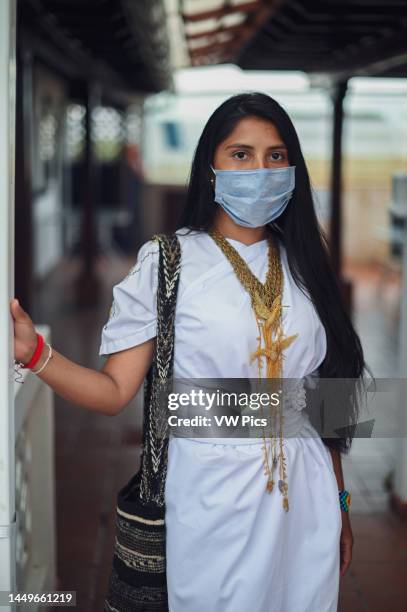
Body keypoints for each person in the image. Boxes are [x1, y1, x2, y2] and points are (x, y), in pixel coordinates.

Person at [11, 92, 367, 612]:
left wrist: (341, 504)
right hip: (211, 493)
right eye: (240, 154)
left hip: (307, 500)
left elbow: (326, 397)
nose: (260, 169)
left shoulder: (307, 262)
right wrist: (35, 353)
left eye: (275, 155)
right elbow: (114, 393)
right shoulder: (168, 263)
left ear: (293, 168)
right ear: (210, 168)